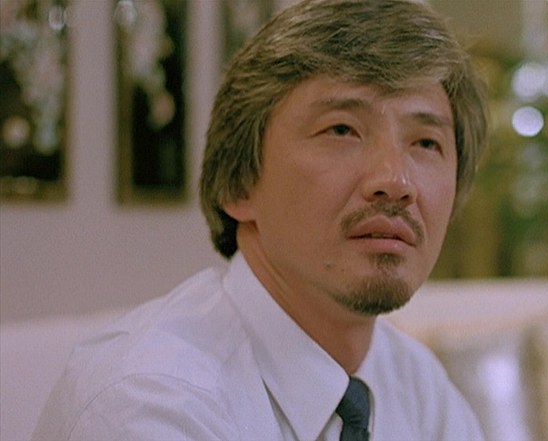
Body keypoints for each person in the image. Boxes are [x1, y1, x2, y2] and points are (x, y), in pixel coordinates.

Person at [33, 0, 489, 439]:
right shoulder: (148, 400)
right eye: (341, 130)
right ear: (240, 183)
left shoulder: (419, 388)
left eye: (426, 143)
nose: (396, 180)